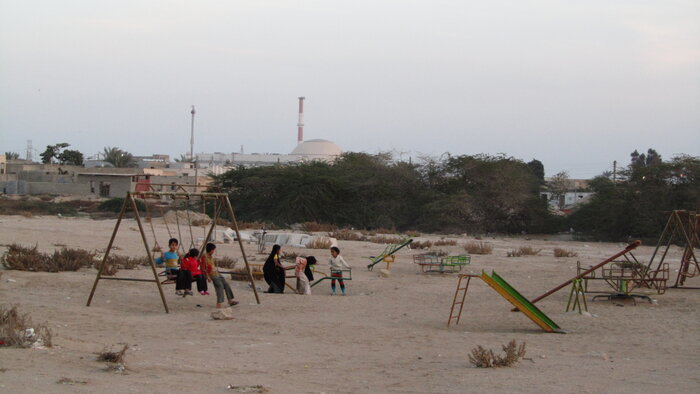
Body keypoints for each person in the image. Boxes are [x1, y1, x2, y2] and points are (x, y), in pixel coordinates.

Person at [200, 243, 238, 308]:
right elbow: (203, 268)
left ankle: (230, 300)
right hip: (212, 274)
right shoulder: (204, 257)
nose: (214, 251)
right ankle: (219, 303)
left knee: (226, 284)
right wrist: (207, 277)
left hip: (217, 273)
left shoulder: (211, 257)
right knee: (219, 286)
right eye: (213, 250)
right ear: (211, 250)